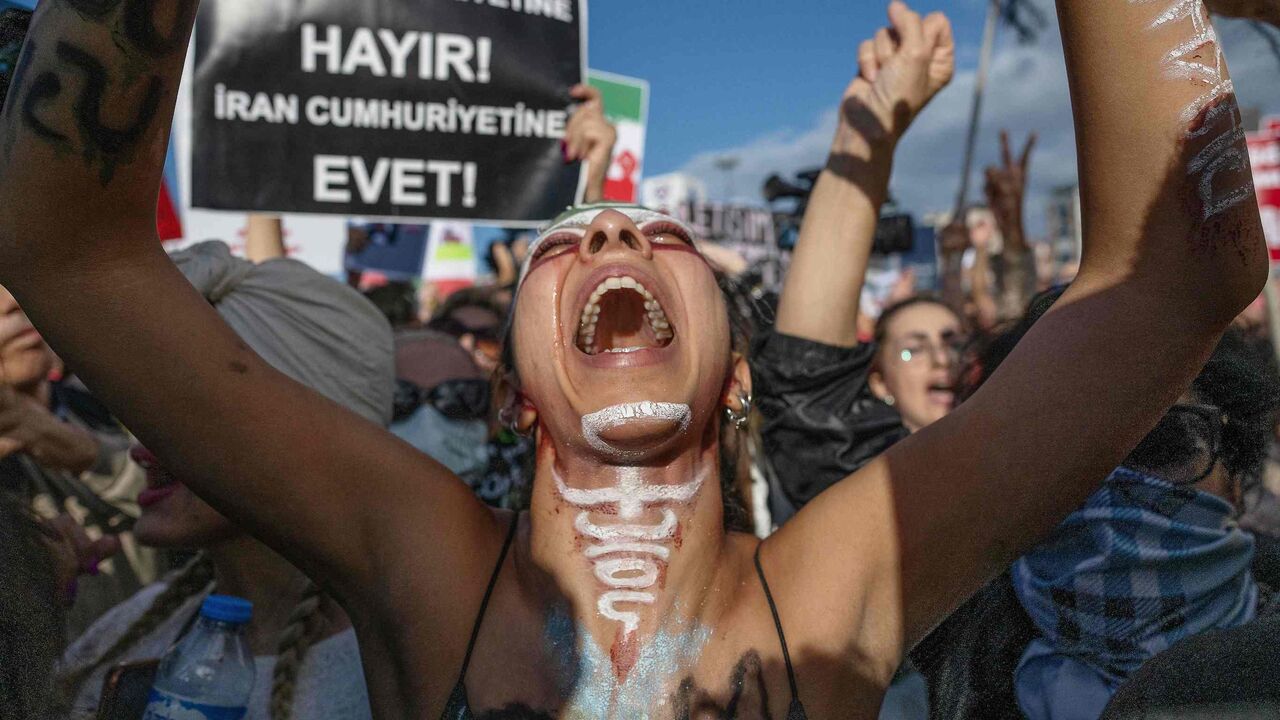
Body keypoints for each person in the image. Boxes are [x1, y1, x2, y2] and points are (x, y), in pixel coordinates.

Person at [0, 2, 1268, 719]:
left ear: (735, 375)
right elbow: (72, 251)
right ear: (509, 385)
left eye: (658, 235)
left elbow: (1174, 282)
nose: (612, 227)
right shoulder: (419, 559)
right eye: (571, 241)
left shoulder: (838, 587)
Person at [54, 240, 393, 719]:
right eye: (141, 414)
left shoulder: (408, 660)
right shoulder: (130, 631)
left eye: (184, 414)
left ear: (308, 426)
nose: (141, 449)